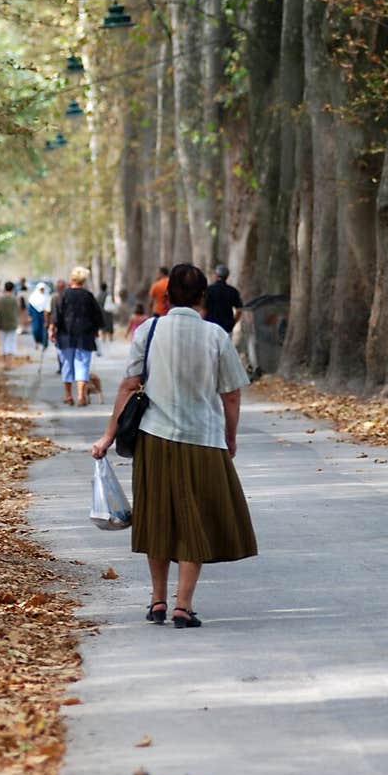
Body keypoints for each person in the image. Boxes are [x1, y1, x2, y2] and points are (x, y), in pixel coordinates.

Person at [92, 262, 256, 628]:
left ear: (166, 298)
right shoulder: (216, 336)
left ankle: (157, 600)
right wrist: (230, 436)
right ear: (204, 298)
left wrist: (108, 435)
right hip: (203, 440)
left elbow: (128, 386)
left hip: (154, 439)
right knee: (193, 520)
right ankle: (183, 605)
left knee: (157, 520)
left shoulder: (148, 331)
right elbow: (230, 395)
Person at [49, 266, 105, 406]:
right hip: (85, 336)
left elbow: (56, 316)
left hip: (65, 336)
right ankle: (81, 396)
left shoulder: (62, 295)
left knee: (67, 364)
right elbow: (97, 315)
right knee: (82, 365)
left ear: (72, 279)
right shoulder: (88, 296)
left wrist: (51, 329)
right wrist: (96, 329)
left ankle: (68, 395)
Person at [206, 264, 243, 334]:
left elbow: (203, 308)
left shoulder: (208, 290)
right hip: (226, 327)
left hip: (210, 326)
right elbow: (239, 310)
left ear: (216, 275)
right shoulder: (233, 291)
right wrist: (233, 323)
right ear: (227, 276)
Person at [0, 281, 19, 365]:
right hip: (12, 324)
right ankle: (9, 362)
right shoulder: (15, 299)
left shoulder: (0, 299)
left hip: (2, 323)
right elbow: (18, 310)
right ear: (13, 288)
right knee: (10, 343)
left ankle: (4, 362)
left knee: (3, 343)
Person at [26, 280, 52, 350]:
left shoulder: (47, 297)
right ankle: (36, 341)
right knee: (35, 329)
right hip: (35, 315)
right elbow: (30, 306)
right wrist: (29, 315)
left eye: (43, 289)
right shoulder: (33, 297)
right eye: (41, 289)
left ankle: (44, 344)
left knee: (44, 330)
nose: (42, 290)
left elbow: (49, 307)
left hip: (44, 315)